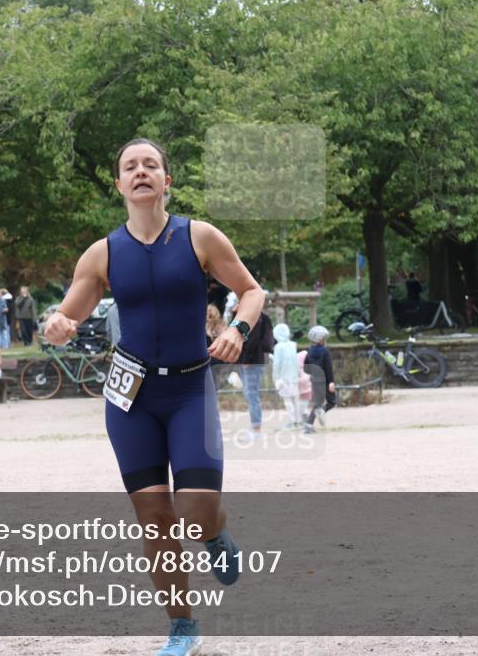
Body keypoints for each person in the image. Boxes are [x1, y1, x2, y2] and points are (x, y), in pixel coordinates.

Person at [42, 137, 263, 656]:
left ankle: (214, 535)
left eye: (151, 165)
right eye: (130, 167)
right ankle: (182, 626)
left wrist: (238, 328)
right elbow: (67, 314)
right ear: (119, 184)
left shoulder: (201, 238)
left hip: (189, 388)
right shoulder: (103, 254)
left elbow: (251, 291)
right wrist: (56, 323)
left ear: (167, 181)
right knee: (156, 516)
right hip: (130, 398)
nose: (141, 172)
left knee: (197, 509)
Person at [234, 297, 274, 436]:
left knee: (252, 395)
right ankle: (255, 427)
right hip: (249, 360)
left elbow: (253, 341)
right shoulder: (254, 317)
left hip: (251, 361)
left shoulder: (255, 318)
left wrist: (246, 361)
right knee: (249, 394)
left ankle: (256, 429)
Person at [303, 325, 336, 434]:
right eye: (323, 339)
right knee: (332, 401)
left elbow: (306, 368)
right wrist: (331, 381)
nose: (324, 341)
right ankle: (315, 417)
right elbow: (328, 368)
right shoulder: (325, 351)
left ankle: (309, 424)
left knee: (317, 403)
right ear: (320, 339)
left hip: (315, 381)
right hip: (325, 381)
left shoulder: (309, 352)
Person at [272, 323, 303, 428]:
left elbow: (277, 364)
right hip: (294, 376)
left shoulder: (278, 347)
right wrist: (298, 373)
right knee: (296, 399)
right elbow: (296, 360)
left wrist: (275, 377)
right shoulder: (293, 345)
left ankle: (292, 421)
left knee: (287, 400)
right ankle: (299, 421)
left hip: (284, 377)